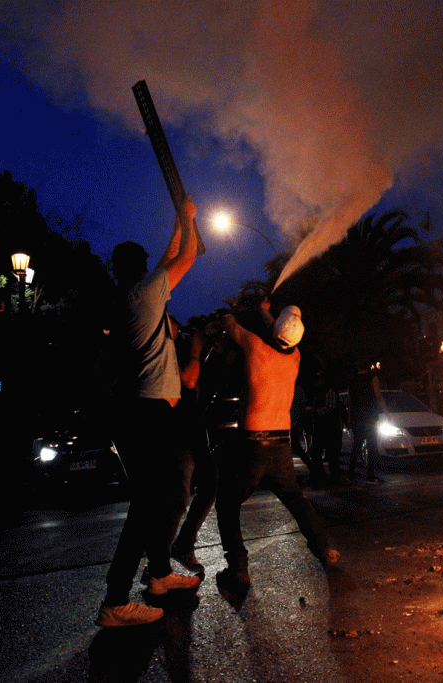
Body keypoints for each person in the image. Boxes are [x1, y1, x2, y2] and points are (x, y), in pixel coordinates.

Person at [96, 196, 201, 629]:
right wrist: (190, 222)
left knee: (156, 498)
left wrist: (178, 222)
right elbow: (187, 257)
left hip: (140, 409)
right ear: (142, 269)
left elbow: (167, 260)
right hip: (149, 411)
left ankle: (158, 575)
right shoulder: (146, 293)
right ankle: (116, 600)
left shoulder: (134, 293)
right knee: (146, 505)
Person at [213, 300, 340, 591]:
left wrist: (230, 311)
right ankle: (323, 550)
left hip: (252, 444)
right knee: (296, 499)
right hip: (281, 443)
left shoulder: (255, 346)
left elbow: (228, 324)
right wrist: (263, 309)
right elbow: (280, 333)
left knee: (228, 504)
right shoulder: (294, 357)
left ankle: (238, 568)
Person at [168, 317, 217, 575]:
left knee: (211, 484)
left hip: (195, 432)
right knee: (177, 499)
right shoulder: (165, 353)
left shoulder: (181, 351)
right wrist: (197, 350)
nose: (180, 330)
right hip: (178, 434)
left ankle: (183, 543)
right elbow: (187, 380)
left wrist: (204, 349)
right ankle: (160, 562)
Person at [347, 358, 388, 483]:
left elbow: (349, 400)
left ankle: (351, 474)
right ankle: (370, 475)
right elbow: (378, 395)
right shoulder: (373, 379)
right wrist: (386, 412)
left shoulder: (352, 381)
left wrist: (350, 417)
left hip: (357, 417)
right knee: (372, 447)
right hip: (369, 416)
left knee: (357, 446)